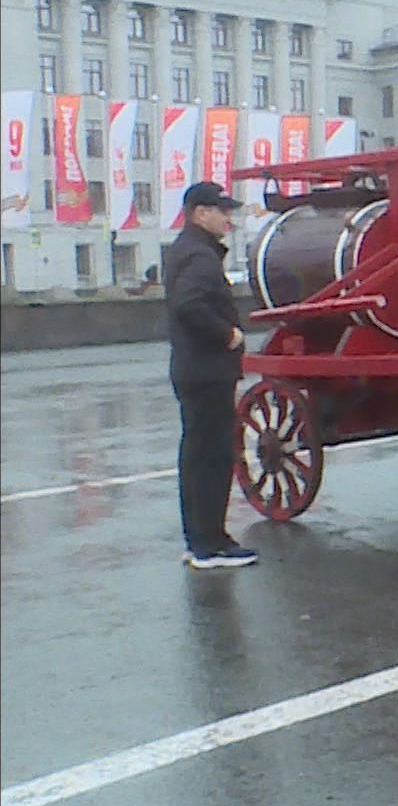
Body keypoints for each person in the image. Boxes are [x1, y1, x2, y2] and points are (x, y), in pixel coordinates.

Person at [165, 181, 257, 569]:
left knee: (198, 456)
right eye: (222, 211)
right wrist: (228, 335)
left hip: (194, 370)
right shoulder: (200, 256)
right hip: (208, 372)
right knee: (213, 457)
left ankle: (200, 540)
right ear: (200, 213)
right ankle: (210, 544)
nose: (227, 219)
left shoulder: (186, 249)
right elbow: (189, 304)